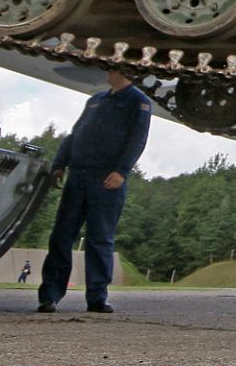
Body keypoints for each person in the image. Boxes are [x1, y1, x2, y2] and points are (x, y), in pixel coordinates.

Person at [37, 69, 152, 315]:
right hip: (78, 175)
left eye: (112, 67)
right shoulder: (96, 100)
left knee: (99, 238)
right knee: (61, 236)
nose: (107, 71)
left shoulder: (138, 102)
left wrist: (122, 171)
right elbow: (75, 134)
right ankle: (50, 295)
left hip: (106, 178)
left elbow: (137, 139)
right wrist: (59, 164)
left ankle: (97, 297)